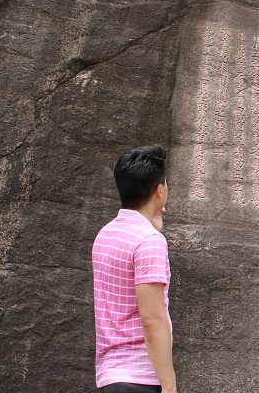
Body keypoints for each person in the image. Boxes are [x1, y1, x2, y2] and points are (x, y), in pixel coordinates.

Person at [92, 145, 176, 393]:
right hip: (141, 377)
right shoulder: (148, 242)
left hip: (113, 375)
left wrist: (151, 224)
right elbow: (152, 319)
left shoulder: (106, 233)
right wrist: (169, 385)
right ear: (159, 190)